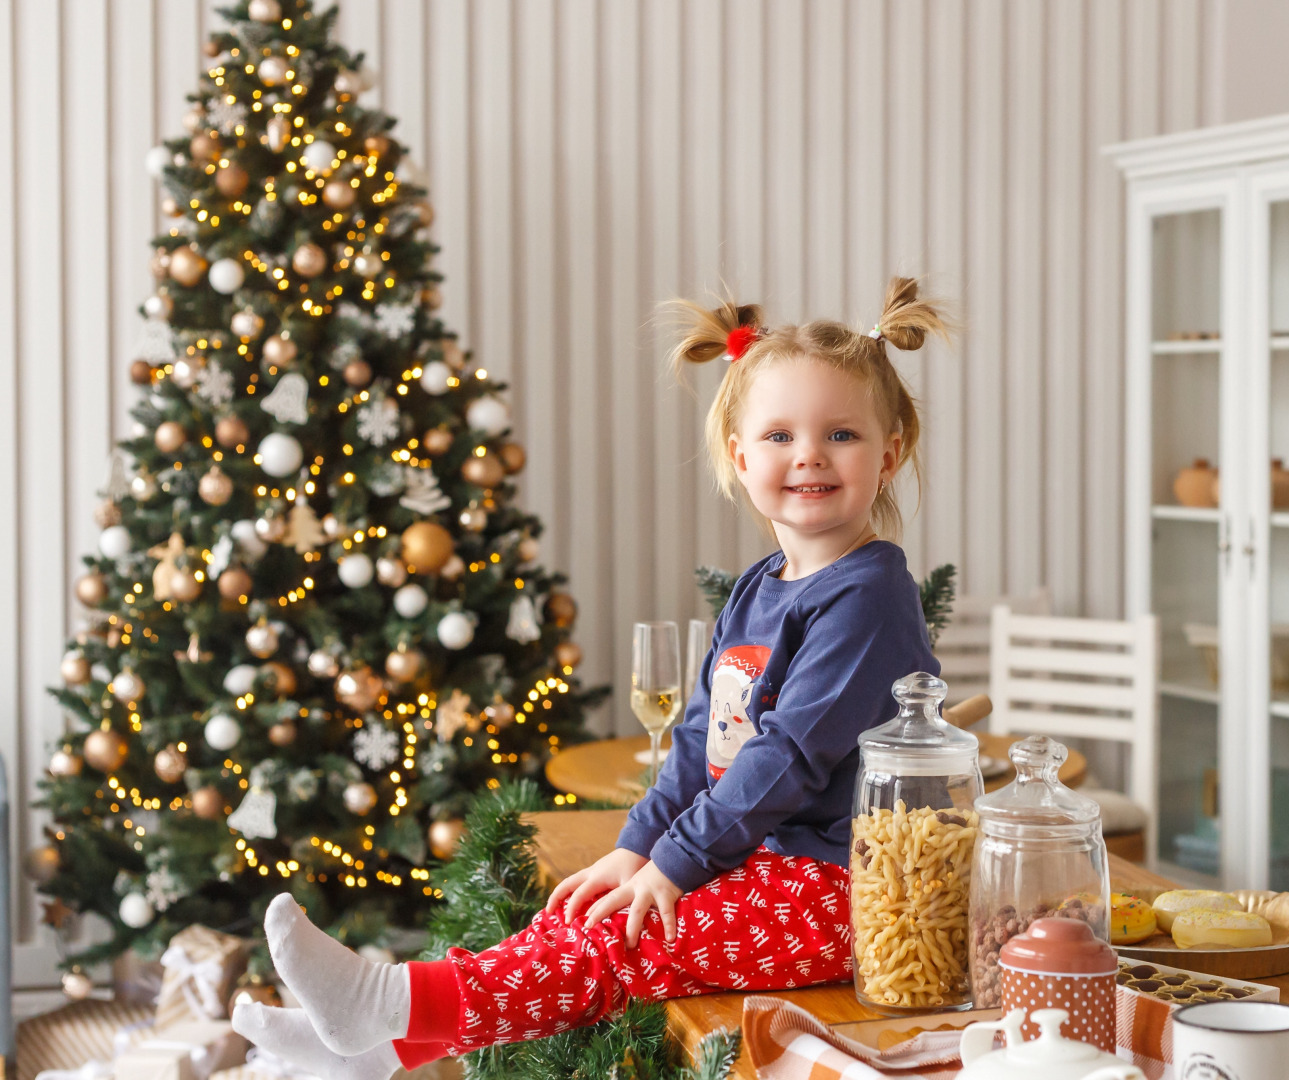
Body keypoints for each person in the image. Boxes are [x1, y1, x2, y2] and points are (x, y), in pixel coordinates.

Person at [232, 277, 952, 1079]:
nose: (809, 454)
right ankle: (377, 1048)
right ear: (740, 457)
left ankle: (391, 1004)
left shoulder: (867, 592)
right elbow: (698, 735)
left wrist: (674, 864)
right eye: (779, 434)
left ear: (889, 455)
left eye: (841, 434)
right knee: (576, 914)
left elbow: (784, 759)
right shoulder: (759, 587)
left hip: (842, 890)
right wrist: (638, 845)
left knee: (631, 938)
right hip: (762, 859)